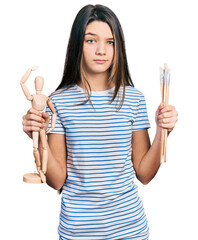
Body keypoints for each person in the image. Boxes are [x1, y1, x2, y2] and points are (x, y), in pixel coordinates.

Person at [22, 4, 178, 240]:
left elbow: (145, 174)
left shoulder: (134, 99)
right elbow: (56, 181)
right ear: (77, 45)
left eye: (110, 42)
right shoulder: (58, 102)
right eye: (91, 41)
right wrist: (39, 134)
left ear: (118, 48)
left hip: (130, 230)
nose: (102, 50)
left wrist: (162, 130)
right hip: (77, 232)